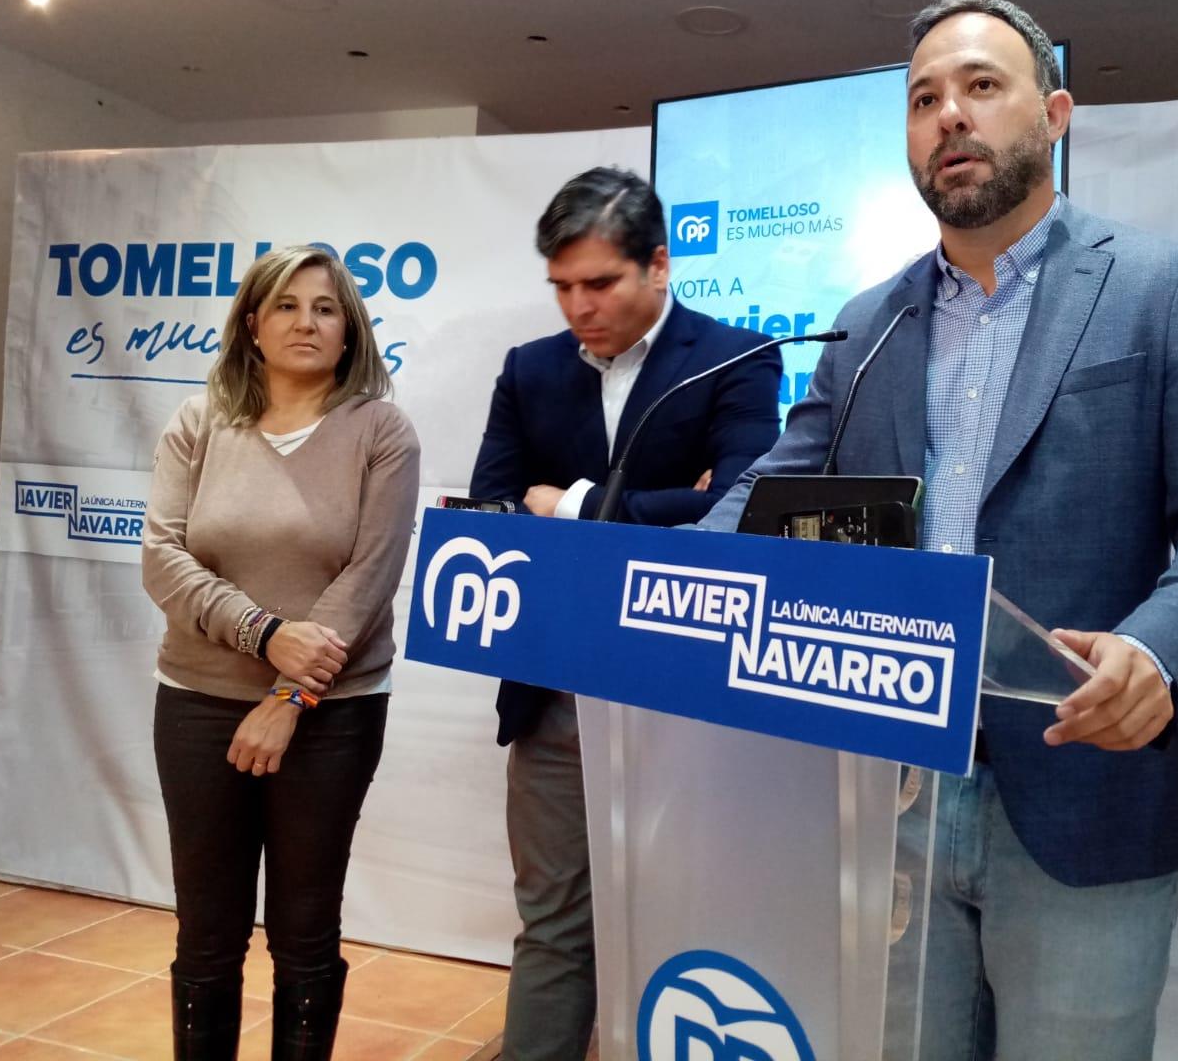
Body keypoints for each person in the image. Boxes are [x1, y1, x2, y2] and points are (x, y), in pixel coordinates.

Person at [697, 0, 1178, 1060]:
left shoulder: (1159, 288)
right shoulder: (869, 320)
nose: (949, 116)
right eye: (925, 97)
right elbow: (774, 488)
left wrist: (1159, 653)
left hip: (1085, 782)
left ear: (1054, 114)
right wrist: (656, 575)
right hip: (889, 789)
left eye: (981, 85)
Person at [469, 166, 784, 1060]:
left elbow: (739, 509)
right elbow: (494, 515)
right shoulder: (528, 371)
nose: (578, 306)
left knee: (700, 925)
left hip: (690, 696)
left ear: (658, 265)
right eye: (562, 287)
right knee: (554, 926)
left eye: (599, 283)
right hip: (554, 691)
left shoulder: (736, 358)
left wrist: (567, 508)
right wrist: (661, 504)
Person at [142, 244, 420, 1060]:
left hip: (331, 717)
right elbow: (163, 558)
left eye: (326, 307)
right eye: (289, 305)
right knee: (206, 933)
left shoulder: (381, 430)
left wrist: (289, 698)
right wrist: (264, 633)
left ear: (350, 330)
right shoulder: (198, 422)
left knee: (303, 930)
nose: (307, 321)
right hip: (195, 706)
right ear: (253, 325)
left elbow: (369, 579)